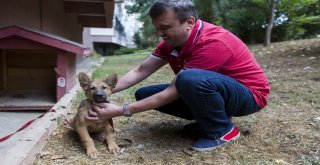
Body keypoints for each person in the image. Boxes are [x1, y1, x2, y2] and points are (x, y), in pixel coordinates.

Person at [86, 0, 270, 152]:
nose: (159, 34)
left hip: (249, 97)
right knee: (143, 94)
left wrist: (120, 110)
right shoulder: (172, 41)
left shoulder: (213, 42)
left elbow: (174, 90)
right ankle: (208, 119)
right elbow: (140, 71)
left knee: (187, 80)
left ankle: (222, 131)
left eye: (165, 27)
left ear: (189, 22)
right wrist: (100, 94)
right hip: (219, 92)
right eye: (157, 27)